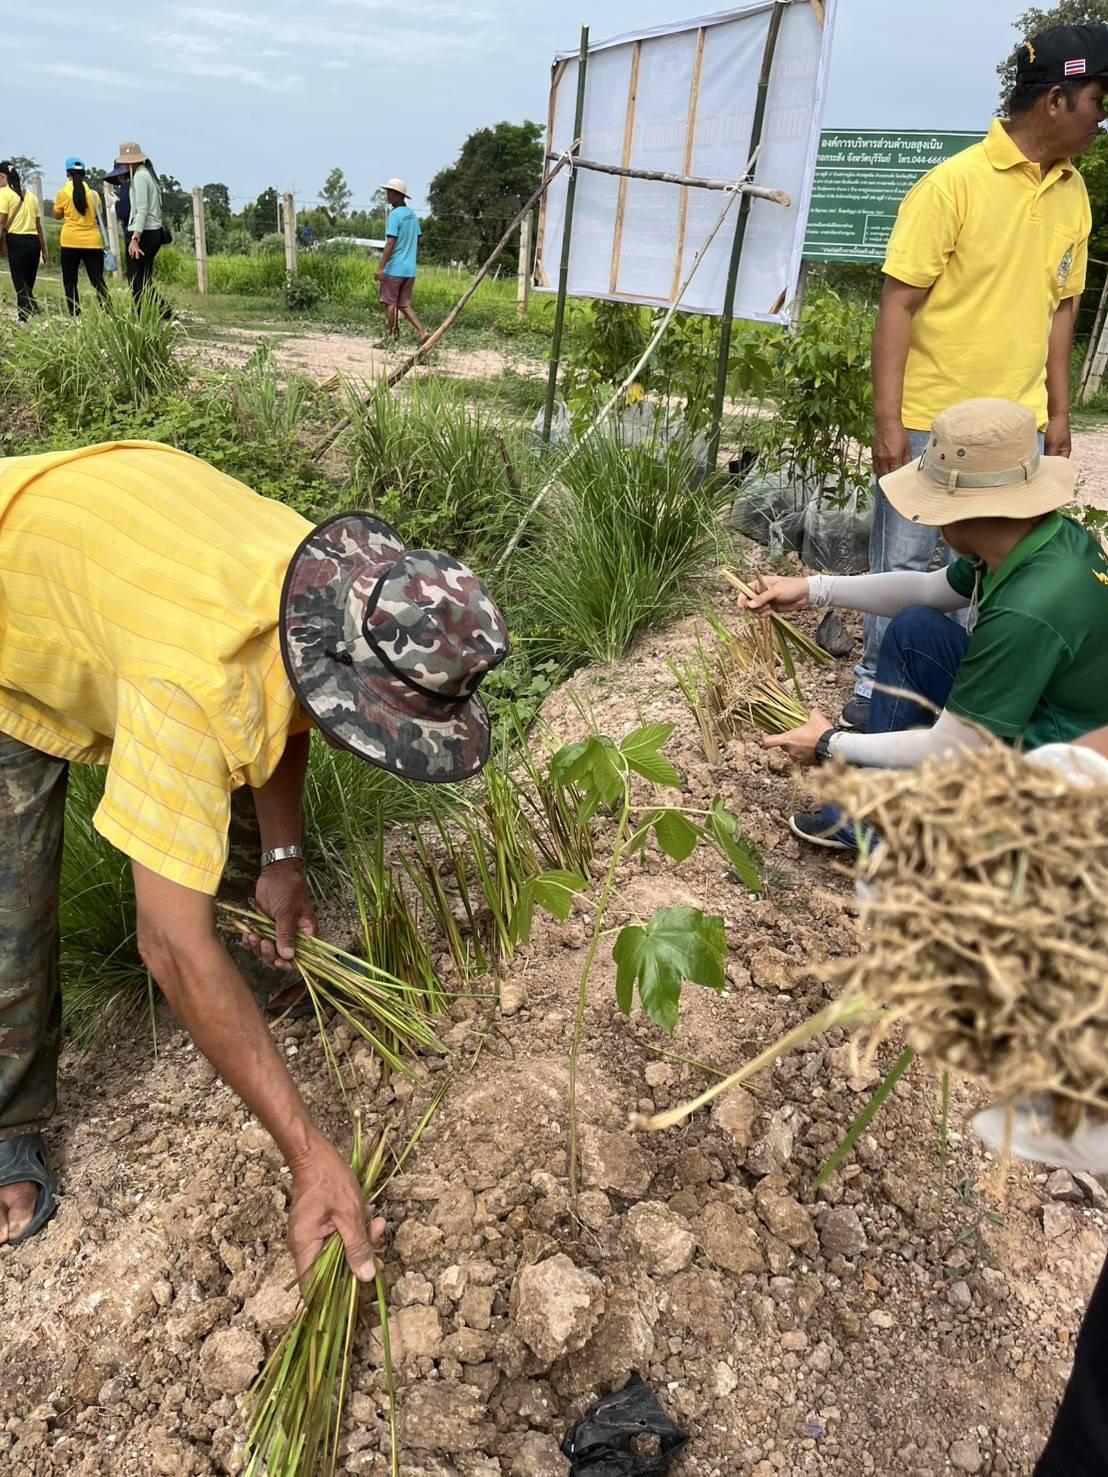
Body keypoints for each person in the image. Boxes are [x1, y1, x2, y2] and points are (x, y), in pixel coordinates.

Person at [0, 439, 509, 1280]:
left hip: (109, 546)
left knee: (232, 800)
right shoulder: (190, 685)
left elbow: (287, 705)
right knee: (11, 901)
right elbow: (166, 943)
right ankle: (8, 1122)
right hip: (19, 600)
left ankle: (253, 961)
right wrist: (310, 1152)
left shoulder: (328, 589)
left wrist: (283, 854)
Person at [846, 24, 1108, 732]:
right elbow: (899, 303)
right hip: (931, 424)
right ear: (1057, 99)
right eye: (1096, 100)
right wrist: (889, 421)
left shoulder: (1073, 193)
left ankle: (955, 728)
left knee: (980, 590)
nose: (1101, 117)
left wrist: (1058, 411)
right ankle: (876, 712)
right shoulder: (952, 185)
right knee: (907, 582)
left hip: (1012, 436)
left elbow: (1064, 307)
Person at [739, 399, 1108, 848]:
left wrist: (828, 743)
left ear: (963, 510)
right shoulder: (1036, 538)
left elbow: (953, 747)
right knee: (916, 630)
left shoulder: (1029, 608)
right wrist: (813, 588)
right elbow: (926, 591)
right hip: (1045, 719)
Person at [375, 177, 429, 348]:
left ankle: (389, 339)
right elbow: (419, 238)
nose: (388, 195)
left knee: (390, 303)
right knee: (404, 304)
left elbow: (390, 242)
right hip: (410, 269)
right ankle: (422, 332)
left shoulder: (394, 215)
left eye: (391, 192)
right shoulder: (412, 215)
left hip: (395, 268)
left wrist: (381, 267)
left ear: (399, 195)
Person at [52, 157, 109, 316]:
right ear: (84, 174)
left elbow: (56, 215)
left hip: (70, 241)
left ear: (67, 173)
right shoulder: (94, 195)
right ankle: (109, 312)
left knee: (70, 282)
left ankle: (75, 315)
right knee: (97, 281)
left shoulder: (62, 193)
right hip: (92, 242)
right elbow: (99, 214)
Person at [116, 140, 166, 309]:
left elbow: (142, 209)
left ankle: (141, 315)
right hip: (154, 232)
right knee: (144, 278)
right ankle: (163, 311)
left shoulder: (139, 177)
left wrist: (135, 238)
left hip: (143, 233)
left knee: (135, 279)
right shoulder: (149, 175)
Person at [0, 162, 47, 320]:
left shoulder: (4, 194)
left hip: (16, 242)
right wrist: (44, 250)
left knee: (20, 283)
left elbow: (1, 222)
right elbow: (38, 226)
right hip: (33, 243)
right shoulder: (32, 197)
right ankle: (23, 317)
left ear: (3, 177)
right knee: (28, 283)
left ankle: (34, 309)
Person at [105, 162, 131, 254]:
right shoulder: (136, 185)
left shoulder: (126, 187)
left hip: (132, 234)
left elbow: (124, 212)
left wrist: (115, 203)